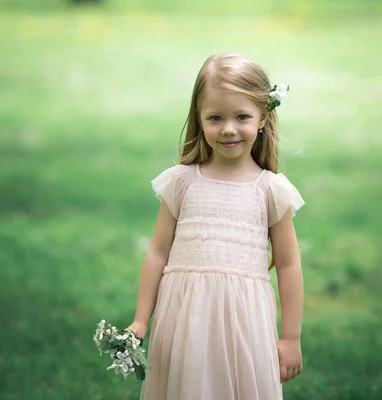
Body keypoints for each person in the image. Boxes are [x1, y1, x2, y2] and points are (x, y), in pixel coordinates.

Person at [127, 52, 305, 400]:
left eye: (241, 116)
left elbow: (288, 264)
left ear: (263, 118)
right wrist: (140, 321)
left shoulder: (270, 190)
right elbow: (157, 252)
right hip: (183, 321)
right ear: (199, 118)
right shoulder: (182, 182)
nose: (228, 128)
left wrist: (292, 337)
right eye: (215, 117)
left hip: (244, 326)